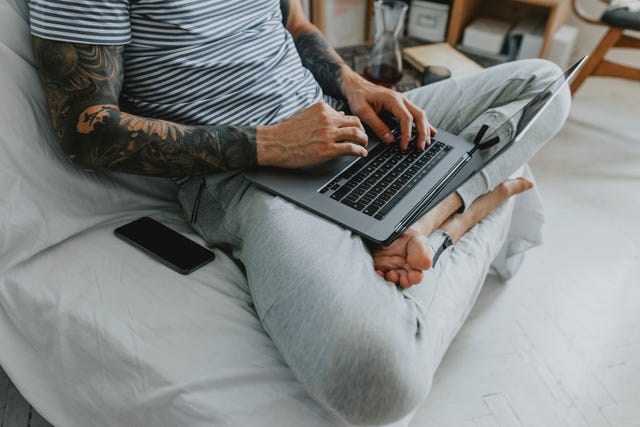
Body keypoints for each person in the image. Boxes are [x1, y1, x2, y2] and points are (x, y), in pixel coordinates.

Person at [28, 0, 570, 424]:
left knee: (544, 84)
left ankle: (434, 220)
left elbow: (292, 21)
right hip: (247, 176)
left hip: (338, 122)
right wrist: (269, 146)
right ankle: (462, 219)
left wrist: (352, 85)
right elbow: (87, 132)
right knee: (379, 386)